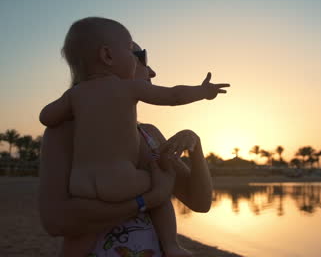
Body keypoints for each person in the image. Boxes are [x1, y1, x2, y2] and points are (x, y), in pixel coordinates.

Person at [38, 17, 227, 256]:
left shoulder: (149, 133)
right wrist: (149, 199)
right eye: (141, 57)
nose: (153, 71)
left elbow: (200, 203)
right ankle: (172, 245)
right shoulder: (63, 132)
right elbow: (57, 222)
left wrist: (195, 144)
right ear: (107, 57)